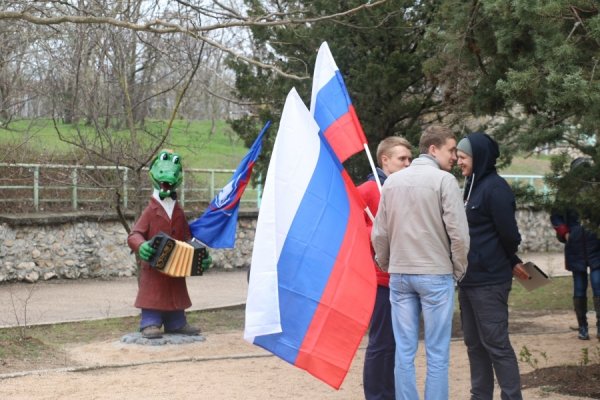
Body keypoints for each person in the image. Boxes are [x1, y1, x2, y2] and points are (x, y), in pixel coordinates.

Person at [372, 125, 470, 400]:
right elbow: (459, 234)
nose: (454, 156)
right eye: (451, 150)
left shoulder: (392, 182)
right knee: (437, 353)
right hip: (435, 273)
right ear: (433, 149)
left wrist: (387, 262)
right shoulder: (444, 181)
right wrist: (458, 269)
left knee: (404, 351)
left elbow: (379, 232)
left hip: (401, 274)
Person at [456, 132, 528, 400]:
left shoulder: (495, 188)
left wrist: (500, 258)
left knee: (496, 344)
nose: (459, 162)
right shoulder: (471, 186)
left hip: (489, 282)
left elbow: (510, 235)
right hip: (469, 280)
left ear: (478, 157)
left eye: (463, 157)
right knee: (474, 345)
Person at [127, 149, 210, 339]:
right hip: (155, 266)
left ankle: (176, 322)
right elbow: (135, 234)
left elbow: (188, 237)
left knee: (175, 291)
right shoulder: (150, 210)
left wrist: (199, 255)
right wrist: (141, 246)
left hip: (175, 265)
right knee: (153, 292)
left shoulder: (178, 211)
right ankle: (150, 322)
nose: (168, 178)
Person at [358, 136, 413, 400]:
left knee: (395, 344)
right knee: (381, 343)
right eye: (402, 159)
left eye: (410, 159)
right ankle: (376, 396)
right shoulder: (369, 190)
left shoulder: (398, 189)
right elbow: (352, 229)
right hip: (379, 279)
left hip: (400, 277)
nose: (407, 163)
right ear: (385, 160)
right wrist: (379, 231)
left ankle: (389, 393)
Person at [550, 157, 600, 340]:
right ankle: (583, 327)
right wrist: (565, 233)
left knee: (598, 285)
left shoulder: (597, 190)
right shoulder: (565, 193)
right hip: (576, 245)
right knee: (579, 288)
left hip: (596, 244)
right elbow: (556, 216)